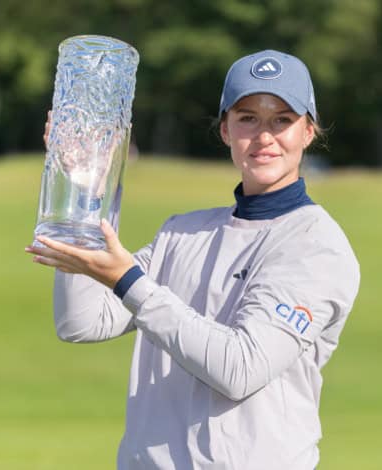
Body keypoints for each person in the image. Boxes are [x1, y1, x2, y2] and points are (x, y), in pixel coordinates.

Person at [26, 49, 360, 470]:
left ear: (308, 132)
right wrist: (83, 195)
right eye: (247, 118)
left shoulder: (316, 246)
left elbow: (240, 369)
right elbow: (81, 323)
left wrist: (129, 282)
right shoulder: (182, 232)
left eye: (282, 120)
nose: (263, 136)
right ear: (225, 130)